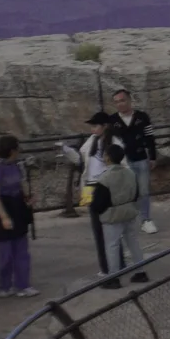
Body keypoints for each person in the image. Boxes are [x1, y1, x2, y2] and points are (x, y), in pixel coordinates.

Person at [0, 135, 38, 297]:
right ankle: (5, 285)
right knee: (5, 253)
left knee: (21, 250)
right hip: (1, 210)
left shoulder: (16, 166)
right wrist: (4, 217)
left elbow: (21, 185)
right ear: (12, 150)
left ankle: (23, 285)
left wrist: (28, 199)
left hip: (17, 208)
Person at [62, 112, 115, 267]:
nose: (92, 129)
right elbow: (80, 159)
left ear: (105, 126)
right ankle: (105, 266)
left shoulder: (114, 141)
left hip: (106, 186)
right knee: (97, 228)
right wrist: (67, 151)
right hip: (90, 187)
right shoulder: (91, 141)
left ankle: (115, 264)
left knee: (111, 229)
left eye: (95, 126)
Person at [107, 87, 158, 234]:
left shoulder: (142, 117)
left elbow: (150, 138)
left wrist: (153, 157)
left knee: (143, 191)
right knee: (125, 193)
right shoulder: (112, 120)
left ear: (129, 100)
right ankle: (125, 221)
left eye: (122, 100)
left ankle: (146, 220)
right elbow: (108, 142)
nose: (120, 104)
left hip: (141, 158)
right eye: (116, 102)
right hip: (122, 162)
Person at [93, 138, 145, 278]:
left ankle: (113, 277)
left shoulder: (104, 178)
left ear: (108, 158)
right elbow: (137, 193)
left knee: (112, 246)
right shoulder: (130, 173)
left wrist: (99, 212)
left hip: (112, 215)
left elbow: (98, 202)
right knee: (133, 242)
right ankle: (141, 272)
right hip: (129, 211)